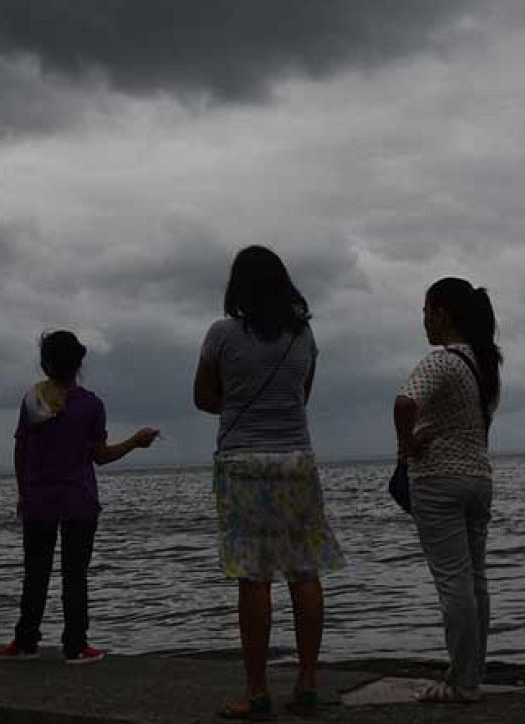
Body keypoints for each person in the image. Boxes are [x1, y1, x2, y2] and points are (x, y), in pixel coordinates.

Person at [193, 246, 345, 720]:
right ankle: (306, 685)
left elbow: (202, 398)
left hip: (242, 463)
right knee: (305, 571)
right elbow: (302, 397)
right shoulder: (304, 337)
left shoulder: (222, 334)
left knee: (253, 578)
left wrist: (239, 404)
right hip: (296, 460)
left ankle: (256, 692)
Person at [0, 330, 159, 665]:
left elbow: (21, 449)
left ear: (45, 363)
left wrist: (24, 492)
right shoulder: (91, 405)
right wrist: (135, 442)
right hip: (79, 500)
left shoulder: (32, 401)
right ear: (79, 363)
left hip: (39, 499)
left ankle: (25, 641)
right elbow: (101, 456)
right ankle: (76, 645)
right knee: (75, 575)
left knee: (35, 573)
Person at [393, 277, 502, 703]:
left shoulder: (440, 362)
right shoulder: (485, 364)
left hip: (437, 479)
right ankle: (472, 675)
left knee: (452, 583)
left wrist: (407, 443)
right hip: (478, 479)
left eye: (425, 311)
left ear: (441, 314)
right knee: (476, 581)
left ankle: (460, 680)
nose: (423, 320)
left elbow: (404, 403)